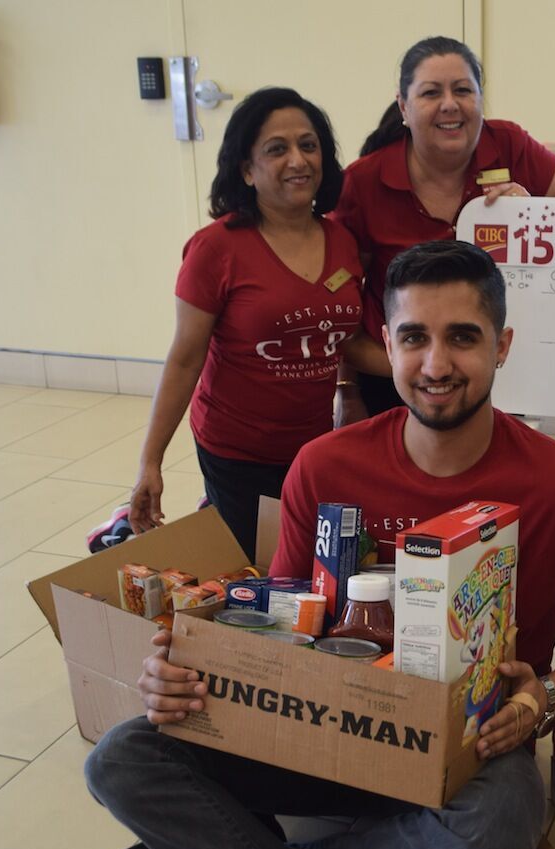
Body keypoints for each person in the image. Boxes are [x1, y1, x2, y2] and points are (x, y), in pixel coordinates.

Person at [77, 240, 555, 849]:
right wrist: (185, 664)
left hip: (468, 744)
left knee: (501, 830)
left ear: (503, 346)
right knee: (120, 760)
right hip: (325, 724)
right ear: (386, 343)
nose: (437, 365)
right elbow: (277, 621)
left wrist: (546, 692)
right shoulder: (326, 464)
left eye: (463, 338)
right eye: (414, 338)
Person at [127, 87, 373, 557]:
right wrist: (150, 463)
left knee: (303, 563)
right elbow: (184, 359)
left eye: (309, 144)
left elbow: (342, 341)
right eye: (277, 149)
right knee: (253, 573)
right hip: (235, 447)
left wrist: (417, 361)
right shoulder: (216, 248)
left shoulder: (342, 240)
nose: (298, 160)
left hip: (312, 445)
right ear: (246, 169)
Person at [332, 36, 555, 417]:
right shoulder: (364, 182)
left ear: (480, 99)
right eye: (431, 93)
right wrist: (348, 392)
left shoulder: (508, 145)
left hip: (490, 368)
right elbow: (341, 301)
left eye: (463, 90)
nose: (450, 104)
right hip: (396, 374)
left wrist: (536, 212)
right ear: (404, 107)